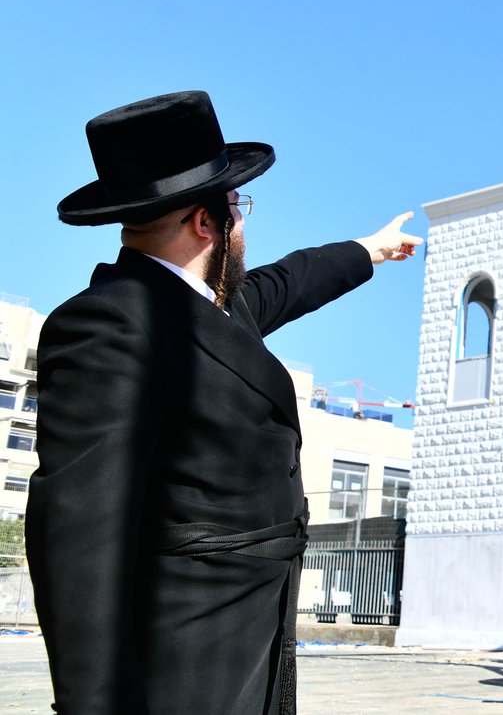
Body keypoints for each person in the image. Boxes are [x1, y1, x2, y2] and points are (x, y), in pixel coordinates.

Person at [25, 90, 424, 714]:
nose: (246, 222)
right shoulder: (108, 326)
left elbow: (287, 283)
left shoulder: (215, 304)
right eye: (239, 205)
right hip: (182, 660)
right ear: (206, 222)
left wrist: (367, 250)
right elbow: (76, 532)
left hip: (253, 642)